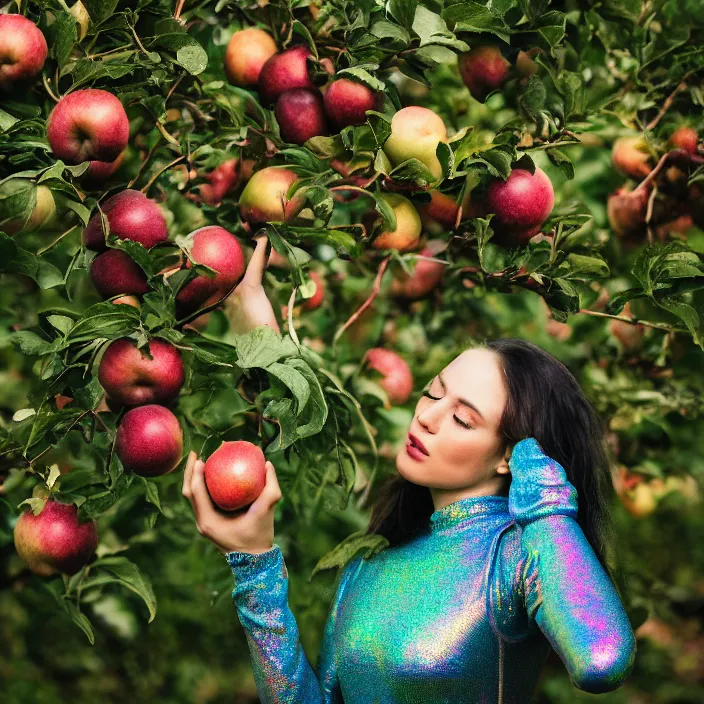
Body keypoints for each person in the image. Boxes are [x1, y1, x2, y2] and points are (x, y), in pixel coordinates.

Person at [182, 238, 637, 703]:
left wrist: (539, 487)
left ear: (509, 455)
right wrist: (255, 565)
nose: (426, 417)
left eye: (463, 418)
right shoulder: (371, 561)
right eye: (433, 393)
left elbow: (601, 658)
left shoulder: (514, 556)